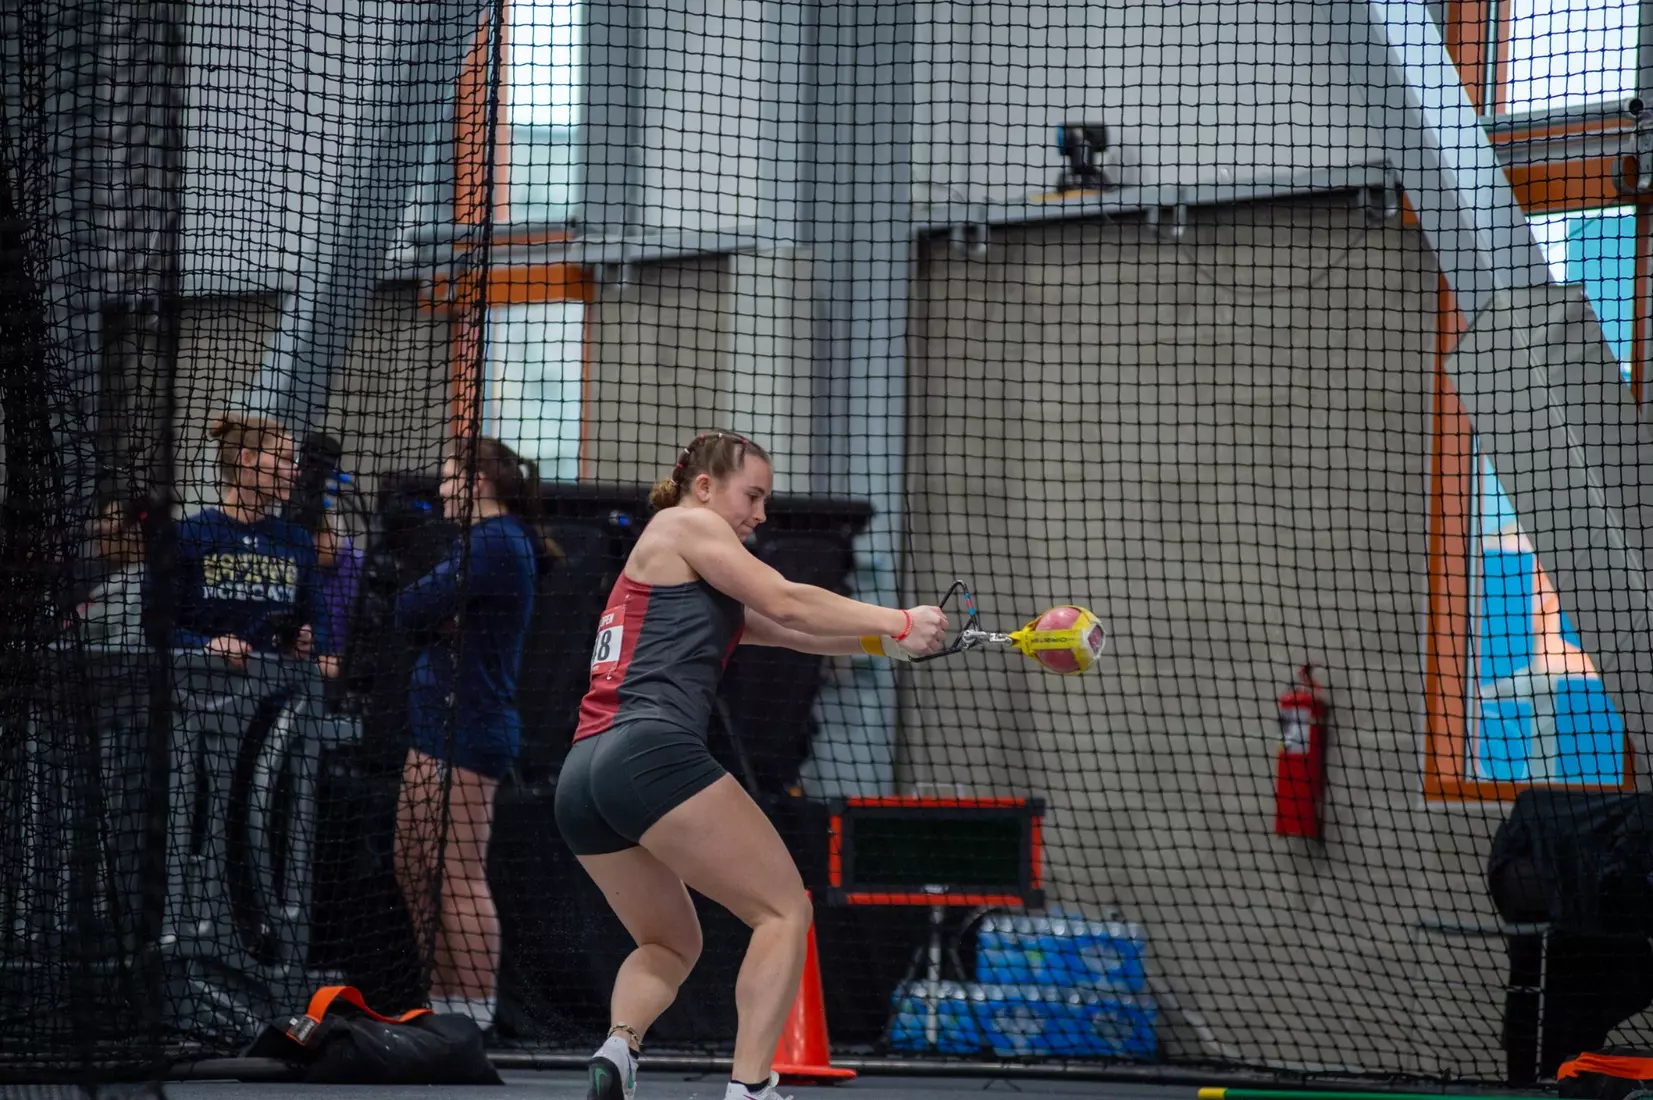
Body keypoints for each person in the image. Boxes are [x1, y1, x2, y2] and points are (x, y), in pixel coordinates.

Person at [554, 431, 948, 1100]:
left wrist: (891, 644)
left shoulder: (679, 566)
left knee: (671, 944)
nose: (760, 515)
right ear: (704, 486)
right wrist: (900, 616)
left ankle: (617, 1051)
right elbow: (787, 599)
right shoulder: (686, 524)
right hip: (649, 751)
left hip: (584, 776)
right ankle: (752, 1089)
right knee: (782, 912)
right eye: (753, 496)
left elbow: (790, 630)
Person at [393, 436, 552, 1030]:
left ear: (477, 480)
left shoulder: (496, 542)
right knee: (412, 867)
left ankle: (473, 1017)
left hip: (471, 727)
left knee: (454, 873)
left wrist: (435, 613)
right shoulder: (479, 543)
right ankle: (442, 1009)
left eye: (448, 478)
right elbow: (415, 608)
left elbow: (411, 607)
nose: (440, 490)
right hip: (435, 723)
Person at [162, 415, 318, 663]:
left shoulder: (297, 539)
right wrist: (208, 646)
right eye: (287, 459)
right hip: (201, 689)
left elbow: (320, 619)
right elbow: (157, 626)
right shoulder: (189, 534)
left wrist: (309, 638)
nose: (296, 471)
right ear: (247, 459)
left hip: (280, 693)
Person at [67, 495, 151, 648]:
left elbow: (124, 648)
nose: (97, 528)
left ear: (133, 534)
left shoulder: (140, 588)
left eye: (107, 520)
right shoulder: (91, 575)